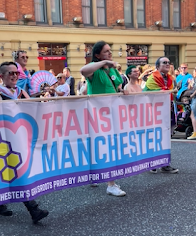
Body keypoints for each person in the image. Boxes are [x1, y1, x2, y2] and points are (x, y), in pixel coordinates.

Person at [0, 61, 49, 223]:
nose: (14, 76)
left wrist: (44, 100)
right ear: (2, 76)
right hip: (3, 140)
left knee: (11, 173)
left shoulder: (20, 91)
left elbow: (33, 108)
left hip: (19, 137)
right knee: (18, 171)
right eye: (10, 73)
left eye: (16, 73)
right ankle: (34, 210)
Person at [80, 40, 127, 197]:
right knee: (102, 146)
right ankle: (110, 184)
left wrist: (123, 91)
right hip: (97, 114)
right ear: (98, 55)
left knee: (107, 146)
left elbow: (116, 87)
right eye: (106, 52)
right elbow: (83, 70)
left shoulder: (112, 71)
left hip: (111, 113)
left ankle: (104, 179)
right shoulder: (95, 70)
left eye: (110, 51)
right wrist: (105, 62)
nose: (110, 53)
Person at [143, 57, 179, 174]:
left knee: (165, 138)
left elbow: (170, 93)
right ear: (157, 66)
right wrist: (167, 91)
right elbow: (147, 93)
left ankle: (164, 164)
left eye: (169, 62)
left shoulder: (170, 79)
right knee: (154, 138)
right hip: (153, 112)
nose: (168, 64)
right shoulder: (152, 78)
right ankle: (152, 163)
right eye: (164, 63)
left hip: (166, 111)